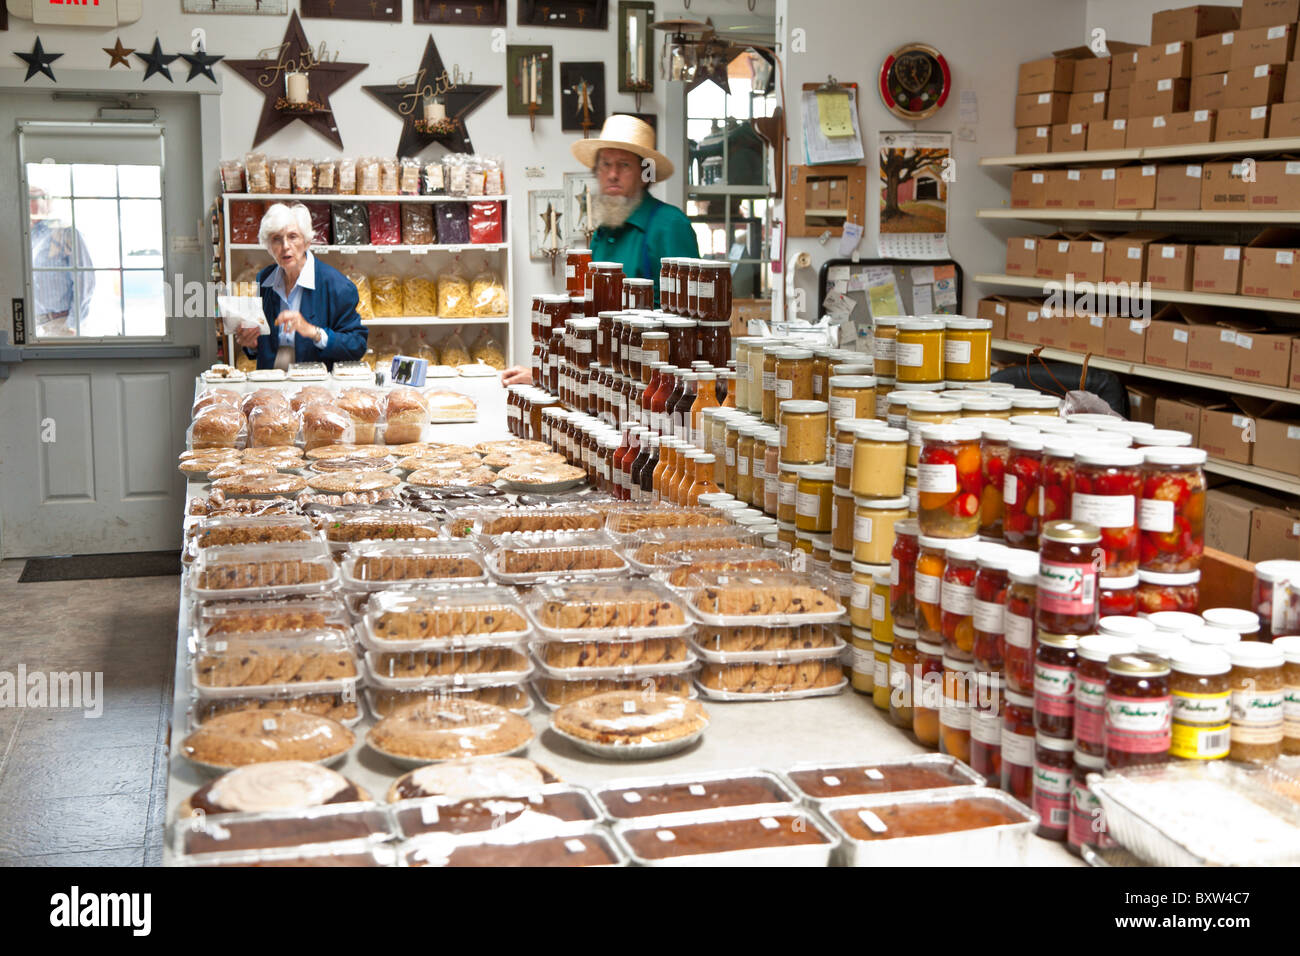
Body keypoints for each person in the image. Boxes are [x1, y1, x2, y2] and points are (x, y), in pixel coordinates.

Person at [500, 114, 699, 387]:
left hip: (654, 382)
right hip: (609, 378)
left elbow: (688, 322)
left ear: (644, 175)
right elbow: (591, 320)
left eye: (624, 165)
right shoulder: (604, 232)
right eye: (605, 164)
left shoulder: (668, 225)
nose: (612, 174)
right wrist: (547, 371)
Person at [236, 203, 368, 370]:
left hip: (316, 385)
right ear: (269, 247)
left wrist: (313, 332)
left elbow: (357, 345)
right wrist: (251, 344)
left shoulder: (337, 285)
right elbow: (263, 347)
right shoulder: (264, 279)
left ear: (306, 242)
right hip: (272, 381)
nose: (285, 246)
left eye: (293, 237)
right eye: (277, 239)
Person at [30, 187, 95, 338]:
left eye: (33, 198)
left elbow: (84, 281)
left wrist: (72, 324)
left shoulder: (65, 232)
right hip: (34, 327)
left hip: (61, 325)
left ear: (48, 203)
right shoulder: (25, 237)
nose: (28, 203)